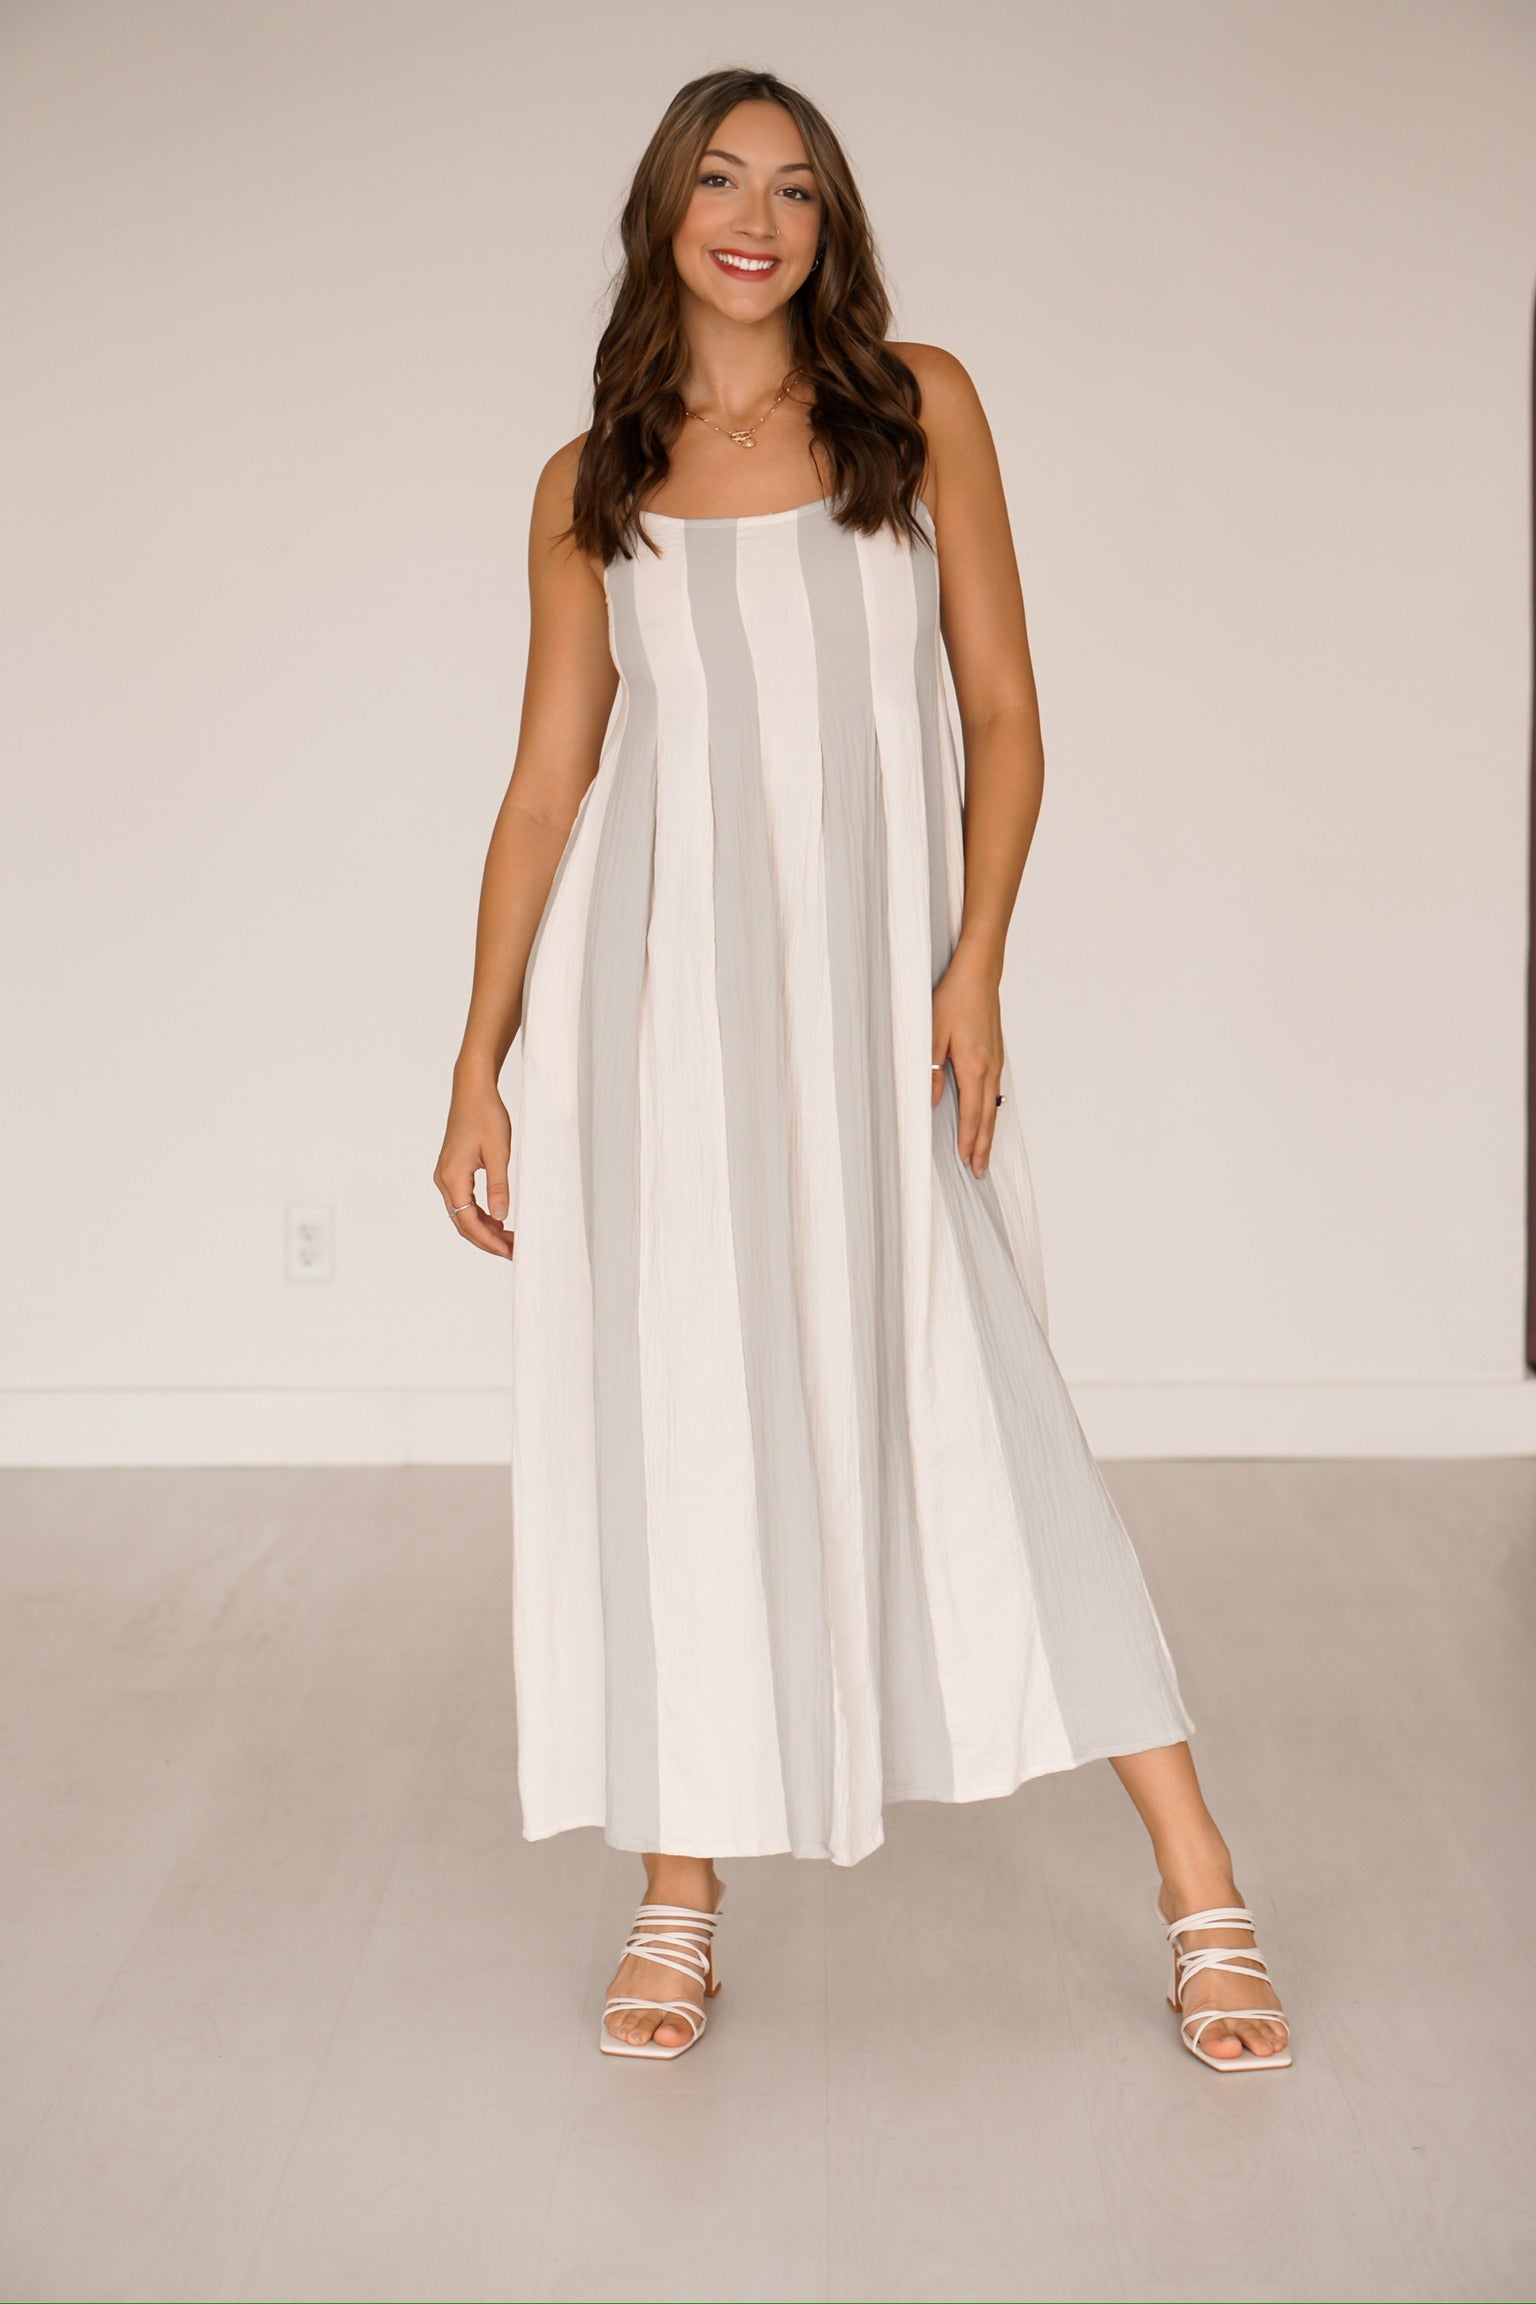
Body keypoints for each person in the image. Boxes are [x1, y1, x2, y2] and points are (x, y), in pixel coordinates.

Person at [434, 65, 1291, 2076]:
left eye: (797, 190)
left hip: (882, 1008)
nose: (758, 217)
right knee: (685, 1427)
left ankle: (1204, 1884)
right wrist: (479, 1061)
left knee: (987, 1404)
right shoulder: (590, 480)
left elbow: (1004, 711)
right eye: (722, 181)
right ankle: (680, 1886)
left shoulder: (921, 405)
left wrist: (977, 966)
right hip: (657, 1026)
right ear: (664, 212)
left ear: (832, 231)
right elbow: (549, 790)